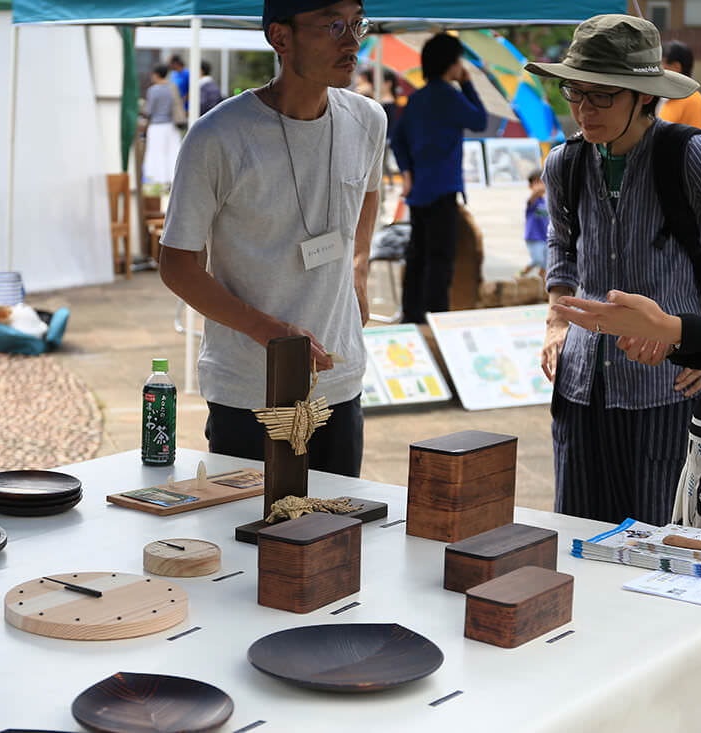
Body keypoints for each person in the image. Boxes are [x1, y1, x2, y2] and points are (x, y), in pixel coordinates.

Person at [550, 30, 701, 540]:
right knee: (590, 543)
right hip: (694, 450)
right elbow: (563, 244)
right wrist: (673, 343)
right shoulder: (565, 163)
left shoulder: (691, 157)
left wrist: (678, 330)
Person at [158, 0, 386, 478]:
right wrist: (266, 330)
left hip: (340, 379)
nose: (352, 42)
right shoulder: (218, 136)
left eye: (357, 23)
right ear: (280, 37)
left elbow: (369, 190)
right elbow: (176, 265)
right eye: (333, 25)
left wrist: (359, 268)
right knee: (247, 523)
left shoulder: (368, 120)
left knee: (337, 522)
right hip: (249, 386)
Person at [390, 33, 487, 322]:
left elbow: (397, 140)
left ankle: (412, 317)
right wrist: (466, 84)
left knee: (417, 256)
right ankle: (437, 319)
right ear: (451, 63)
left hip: (419, 192)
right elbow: (480, 121)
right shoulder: (450, 96)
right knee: (441, 259)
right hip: (443, 191)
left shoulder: (416, 99)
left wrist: (407, 173)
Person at [142, 65, 183, 188]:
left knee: (156, 153)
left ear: (156, 75)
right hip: (171, 126)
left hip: (156, 126)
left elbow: (149, 110)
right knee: (172, 153)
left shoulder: (153, 90)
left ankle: (157, 180)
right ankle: (171, 179)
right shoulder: (172, 88)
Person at [658, 41, 701, 130]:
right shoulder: (663, 94)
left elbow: (695, 135)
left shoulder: (692, 98)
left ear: (676, 67)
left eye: (661, 63)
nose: (658, 68)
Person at [521, 169, 548, 278]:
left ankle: (542, 282)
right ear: (530, 186)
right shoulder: (532, 201)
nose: (540, 185)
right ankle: (522, 274)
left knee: (546, 263)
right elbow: (533, 196)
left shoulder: (547, 201)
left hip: (546, 237)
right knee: (538, 259)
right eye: (537, 182)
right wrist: (538, 189)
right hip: (534, 237)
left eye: (542, 182)